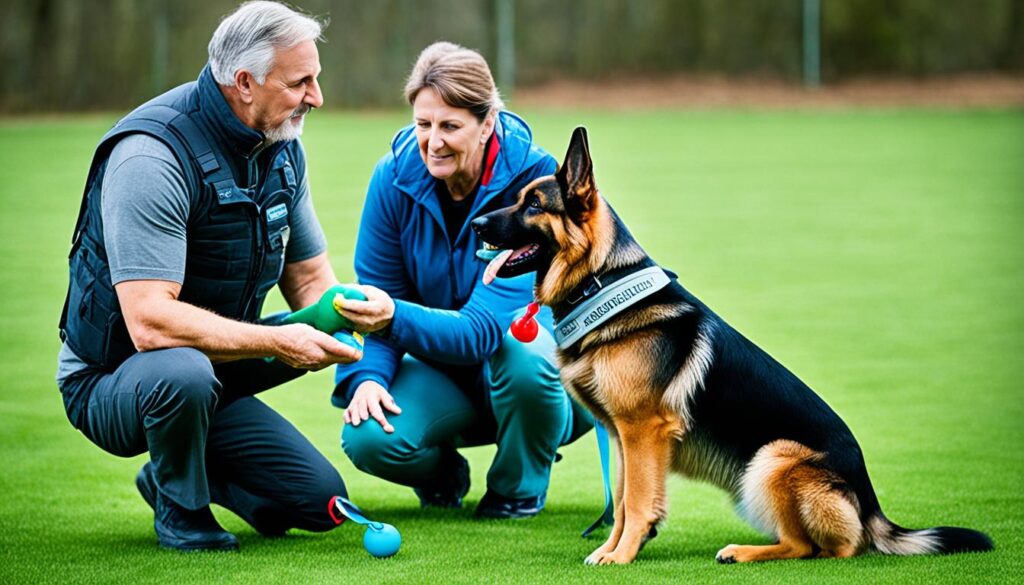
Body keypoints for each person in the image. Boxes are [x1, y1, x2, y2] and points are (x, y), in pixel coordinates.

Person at [56, 1, 360, 552]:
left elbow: (313, 280)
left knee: (319, 503)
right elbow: (149, 324)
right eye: (301, 82)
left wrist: (354, 311)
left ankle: (177, 468)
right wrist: (277, 341)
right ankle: (183, 512)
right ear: (245, 82)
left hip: (216, 371)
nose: (317, 97)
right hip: (114, 378)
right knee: (184, 370)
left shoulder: (282, 146)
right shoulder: (152, 157)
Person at [333, 42, 593, 519]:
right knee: (367, 436)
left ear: (487, 124)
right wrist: (367, 377)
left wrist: (390, 315)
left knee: (520, 351)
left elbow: (482, 331)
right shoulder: (392, 179)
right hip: (444, 373)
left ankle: (517, 488)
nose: (433, 142)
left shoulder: (535, 185)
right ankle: (443, 476)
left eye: (450, 126)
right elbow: (374, 295)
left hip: (545, 380)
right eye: (423, 125)